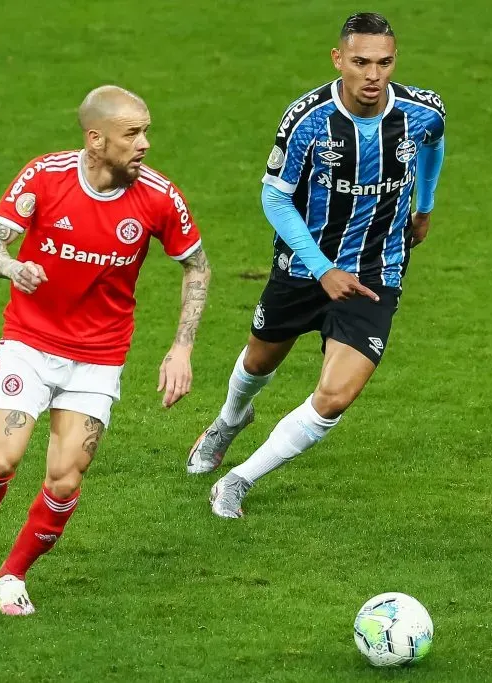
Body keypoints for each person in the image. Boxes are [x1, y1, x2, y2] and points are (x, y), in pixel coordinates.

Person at [0, 85, 210, 615]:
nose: (145, 143)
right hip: (30, 342)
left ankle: (13, 574)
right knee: (3, 458)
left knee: (65, 476)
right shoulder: (45, 177)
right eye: (133, 133)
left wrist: (182, 346)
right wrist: (13, 267)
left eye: (146, 130)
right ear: (96, 139)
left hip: (99, 356)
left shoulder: (158, 197)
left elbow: (196, 265)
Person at [186, 12, 446, 518]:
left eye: (384, 63)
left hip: (377, 270)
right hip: (305, 267)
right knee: (260, 361)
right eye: (361, 62)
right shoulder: (307, 120)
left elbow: (434, 146)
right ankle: (228, 420)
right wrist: (322, 267)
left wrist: (425, 205)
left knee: (335, 396)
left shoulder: (422, 111)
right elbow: (275, 197)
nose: (373, 75)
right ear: (338, 59)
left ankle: (238, 480)